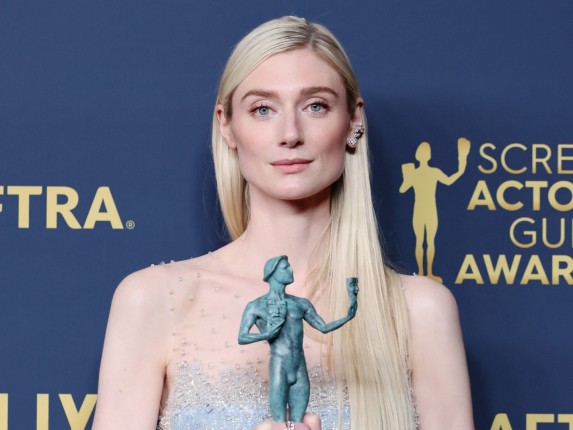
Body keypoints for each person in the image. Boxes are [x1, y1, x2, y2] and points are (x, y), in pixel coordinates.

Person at [92, 15, 474, 430]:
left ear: (353, 121)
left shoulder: (420, 311)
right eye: (262, 109)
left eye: (315, 106)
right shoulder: (154, 300)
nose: (290, 133)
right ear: (227, 126)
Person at [238, 256, 358, 428]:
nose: (291, 270)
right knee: (279, 425)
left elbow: (323, 327)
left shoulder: (300, 304)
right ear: (272, 273)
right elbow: (242, 337)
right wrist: (266, 334)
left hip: (299, 368)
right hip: (280, 367)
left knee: (299, 424)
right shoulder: (256, 306)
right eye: (285, 268)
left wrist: (349, 315)